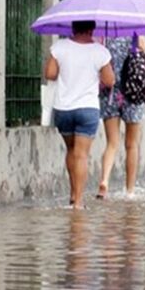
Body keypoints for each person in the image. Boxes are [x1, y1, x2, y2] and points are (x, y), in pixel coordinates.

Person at [45, 21, 115, 208]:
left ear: (73, 28)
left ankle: (72, 194)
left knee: (71, 151)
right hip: (87, 109)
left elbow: (50, 74)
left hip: (63, 109)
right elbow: (109, 81)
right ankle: (78, 202)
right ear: (92, 29)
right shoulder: (100, 51)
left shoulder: (59, 47)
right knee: (81, 155)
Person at [97, 36, 145, 199]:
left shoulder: (105, 35)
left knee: (112, 142)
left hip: (110, 94)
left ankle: (105, 180)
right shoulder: (137, 34)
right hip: (133, 93)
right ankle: (130, 191)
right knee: (132, 145)